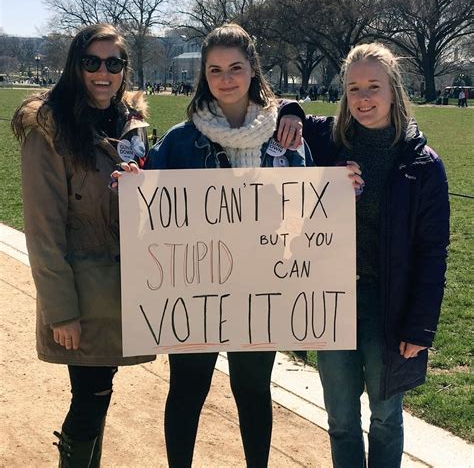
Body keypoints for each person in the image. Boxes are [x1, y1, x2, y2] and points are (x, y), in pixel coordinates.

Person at [112, 23, 361, 468]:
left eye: (235, 68)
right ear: (203, 76)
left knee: (252, 391)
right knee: (188, 389)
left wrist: (342, 192)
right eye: (214, 70)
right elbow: (150, 206)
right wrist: (135, 184)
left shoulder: (285, 138)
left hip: (261, 286)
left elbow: (305, 211)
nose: (225, 79)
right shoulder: (181, 139)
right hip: (195, 288)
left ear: (253, 70)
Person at [279, 43, 450, 468]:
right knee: (339, 419)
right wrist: (293, 114)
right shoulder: (326, 141)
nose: (363, 98)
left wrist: (421, 325)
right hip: (330, 301)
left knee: (386, 417)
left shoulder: (424, 164)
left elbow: (433, 253)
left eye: (374, 86)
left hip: (388, 305)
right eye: (354, 88)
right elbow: (281, 110)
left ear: (394, 90)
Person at [11, 23, 155, 466]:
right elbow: (43, 230)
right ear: (76, 65)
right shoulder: (49, 129)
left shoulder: (134, 126)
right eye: (91, 62)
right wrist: (61, 312)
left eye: (114, 63)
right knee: (91, 399)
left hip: (125, 290)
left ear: (124, 70)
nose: (103, 72)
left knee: (100, 394)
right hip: (82, 290)